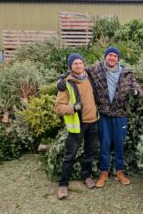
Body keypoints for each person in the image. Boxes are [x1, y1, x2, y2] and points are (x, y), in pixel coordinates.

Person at [58, 47, 143, 188]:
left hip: (121, 115)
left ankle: (119, 171)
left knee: (119, 144)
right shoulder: (96, 70)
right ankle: (103, 172)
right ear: (105, 57)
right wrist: (60, 78)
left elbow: (140, 90)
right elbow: (77, 69)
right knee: (104, 144)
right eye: (109, 55)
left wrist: (135, 92)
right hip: (103, 114)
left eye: (115, 56)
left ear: (118, 59)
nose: (112, 58)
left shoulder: (127, 73)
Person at [55, 53, 98, 199]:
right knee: (70, 155)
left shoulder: (90, 77)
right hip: (77, 126)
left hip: (93, 122)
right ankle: (63, 185)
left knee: (90, 152)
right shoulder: (65, 84)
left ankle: (86, 177)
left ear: (84, 64)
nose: (79, 66)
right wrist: (73, 107)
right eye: (75, 64)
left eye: (80, 63)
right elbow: (58, 107)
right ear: (70, 66)